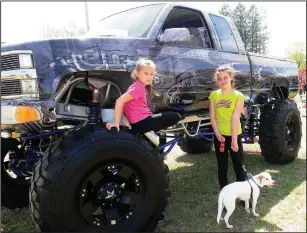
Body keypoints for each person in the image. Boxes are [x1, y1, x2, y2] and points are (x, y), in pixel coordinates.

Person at [106, 58, 181, 146]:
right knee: (176, 116)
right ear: (137, 74)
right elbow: (119, 101)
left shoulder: (137, 85)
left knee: (162, 121)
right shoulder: (138, 88)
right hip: (140, 123)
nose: (149, 77)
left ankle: (158, 147)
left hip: (141, 120)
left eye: (151, 74)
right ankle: (155, 135)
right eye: (146, 73)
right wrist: (116, 122)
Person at [208, 66, 246, 191]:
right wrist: (217, 134)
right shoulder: (214, 95)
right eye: (219, 79)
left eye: (225, 78)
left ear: (231, 78)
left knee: (238, 165)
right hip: (220, 137)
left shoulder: (238, 96)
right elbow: (212, 117)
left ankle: (242, 195)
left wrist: (234, 140)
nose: (222, 80)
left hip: (235, 135)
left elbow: (235, 118)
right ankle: (224, 194)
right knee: (222, 167)